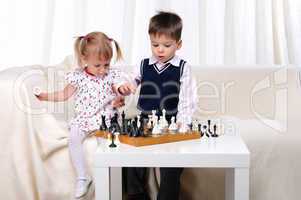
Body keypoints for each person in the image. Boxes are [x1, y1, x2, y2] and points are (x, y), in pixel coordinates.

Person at [35, 31, 125, 199]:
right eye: (98, 65)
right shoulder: (78, 77)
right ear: (84, 59)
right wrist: (44, 96)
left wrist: (119, 99)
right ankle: (82, 177)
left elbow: (118, 93)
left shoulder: (111, 75)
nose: (102, 70)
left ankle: (105, 182)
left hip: (105, 117)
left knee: (106, 147)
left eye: (106, 64)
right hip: (84, 118)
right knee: (74, 138)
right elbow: (63, 95)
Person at [118, 11, 197, 200]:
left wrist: (183, 123)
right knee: (131, 153)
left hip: (171, 120)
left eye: (166, 45)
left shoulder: (183, 67)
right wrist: (126, 88)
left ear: (178, 45)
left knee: (173, 161)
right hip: (145, 119)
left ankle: (167, 196)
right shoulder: (144, 64)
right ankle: (136, 194)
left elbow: (188, 98)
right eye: (155, 45)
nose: (160, 50)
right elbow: (132, 81)